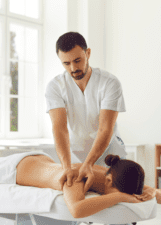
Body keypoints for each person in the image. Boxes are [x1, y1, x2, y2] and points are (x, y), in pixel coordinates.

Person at [0, 153, 161, 219]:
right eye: (119, 191)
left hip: (36, 161)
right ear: (110, 181)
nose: (123, 196)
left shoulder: (114, 173)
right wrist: (120, 198)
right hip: (13, 170)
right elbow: (76, 210)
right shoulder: (77, 178)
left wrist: (152, 191)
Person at [45, 32, 129, 196]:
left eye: (77, 60)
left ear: (88, 53)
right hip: (75, 154)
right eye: (66, 63)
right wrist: (66, 167)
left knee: (117, 195)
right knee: (77, 198)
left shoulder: (109, 83)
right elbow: (59, 129)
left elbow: (105, 128)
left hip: (109, 150)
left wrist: (89, 164)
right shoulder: (55, 87)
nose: (73, 68)